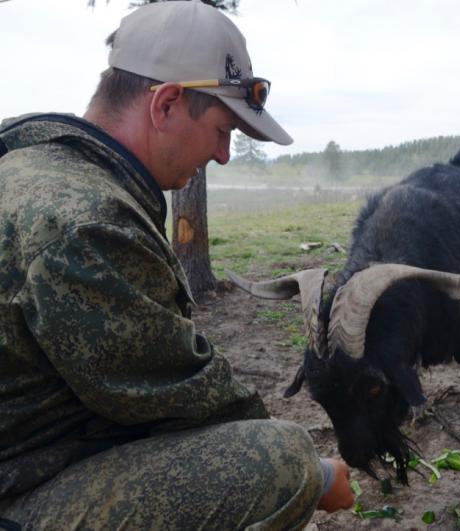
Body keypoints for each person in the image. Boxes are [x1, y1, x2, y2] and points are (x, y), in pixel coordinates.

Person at [0, 1, 353, 528]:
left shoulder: (36, 161)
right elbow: (179, 391)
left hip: (28, 450)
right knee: (281, 462)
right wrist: (318, 477)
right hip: (20, 485)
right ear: (165, 104)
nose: (224, 155)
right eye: (222, 130)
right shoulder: (88, 222)